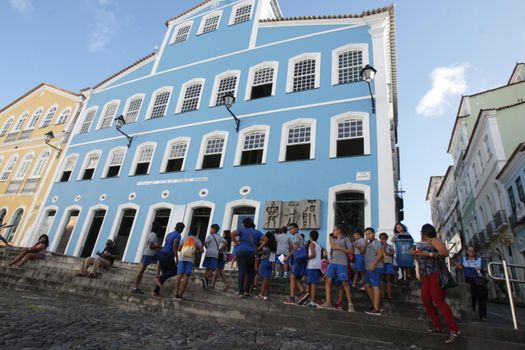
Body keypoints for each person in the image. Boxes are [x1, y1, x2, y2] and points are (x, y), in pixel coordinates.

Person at [413, 223, 460, 344]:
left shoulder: (435, 240)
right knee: (426, 299)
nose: (420, 234)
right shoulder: (426, 244)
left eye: (421, 232)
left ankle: (454, 329)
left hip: (435, 274)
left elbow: (444, 253)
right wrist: (416, 255)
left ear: (425, 232)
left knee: (438, 300)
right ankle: (437, 325)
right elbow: (422, 259)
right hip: (426, 275)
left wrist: (428, 254)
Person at [319, 225, 354, 312]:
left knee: (345, 283)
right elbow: (333, 248)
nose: (333, 231)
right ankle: (328, 302)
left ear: (339, 230)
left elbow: (351, 251)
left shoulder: (346, 239)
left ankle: (350, 304)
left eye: (334, 230)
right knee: (328, 280)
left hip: (342, 263)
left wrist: (341, 248)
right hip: (333, 263)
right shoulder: (333, 240)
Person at [452, 246, 488, 320]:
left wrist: (481, 268)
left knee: (481, 297)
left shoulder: (480, 260)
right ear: (467, 252)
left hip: (479, 279)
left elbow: (486, 269)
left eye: (472, 251)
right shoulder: (464, 260)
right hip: (469, 280)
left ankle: (483, 315)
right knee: (472, 297)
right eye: (469, 251)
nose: (471, 252)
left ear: (474, 252)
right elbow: (460, 267)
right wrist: (454, 262)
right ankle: (472, 312)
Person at [231, 217, 263, 297]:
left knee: (241, 271)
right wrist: (258, 247)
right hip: (251, 253)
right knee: (251, 272)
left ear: (245, 224)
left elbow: (232, 234)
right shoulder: (257, 232)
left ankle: (240, 292)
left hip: (241, 251)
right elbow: (266, 239)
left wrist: (237, 243)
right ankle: (246, 291)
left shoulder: (242, 230)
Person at [153, 222, 184, 297]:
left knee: (165, 273)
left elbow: (166, 244)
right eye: (182, 229)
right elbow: (174, 246)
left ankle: (156, 291)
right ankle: (158, 278)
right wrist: (177, 258)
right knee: (175, 271)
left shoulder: (169, 234)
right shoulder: (178, 235)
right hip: (167, 255)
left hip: (161, 253)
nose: (182, 230)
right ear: (180, 228)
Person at [131, 223, 162, 294]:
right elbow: (151, 246)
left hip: (151, 254)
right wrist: (158, 246)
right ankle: (135, 287)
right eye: (160, 230)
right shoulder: (153, 235)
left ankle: (158, 274)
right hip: (148, 254)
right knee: (141, 271)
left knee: (161, 258)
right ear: (157, 230)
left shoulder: (151, 234)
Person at [174, 226, 203, 299]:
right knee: (186, 276)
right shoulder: (197, 240)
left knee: (179, 275)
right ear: (196, 233)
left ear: (189, 231)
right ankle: (181, 294)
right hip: (190, 260)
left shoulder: (184, 238)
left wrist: (184, 250)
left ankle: (176, 292)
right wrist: (196, 251)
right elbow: (202, 250)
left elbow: (179, 249)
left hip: (182, 258)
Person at [283, 223, 308, 304]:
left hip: (298, 258)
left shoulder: (297, 236)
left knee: (292, 276)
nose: (290, 230)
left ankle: (292, 298)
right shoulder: (299, 236)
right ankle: (302, 292)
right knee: (296, 278)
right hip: (301, 259)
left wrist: (287, 257)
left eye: (292, 228)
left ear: (297, 228)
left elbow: (296, 248)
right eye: (289, 229)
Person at [363, 227, 384, 316]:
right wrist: (365, 242)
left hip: (375, 267)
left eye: (369, 233)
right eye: (366, 234)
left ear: (373, 233)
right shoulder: (368, 244)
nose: (368, 235)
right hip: (368, 268)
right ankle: (376, 306)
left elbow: (380, 254)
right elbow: (361, 251)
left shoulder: (376, 242)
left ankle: (376, 309)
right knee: (367, 285)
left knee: (375, 286)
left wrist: (373, 264)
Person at [201, 224, 225, 290]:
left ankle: (205, 280)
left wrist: (207, 248)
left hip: (209, 253)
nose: (210, 230)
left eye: (211, 229)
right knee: (213, 267)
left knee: (208, 267)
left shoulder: (210, 236)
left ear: (214, 229)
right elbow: (225, 242)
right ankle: (205, 278)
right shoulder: (219, 237)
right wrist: (220, 249)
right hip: (215, 254)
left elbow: (204, 243)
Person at [257, 232, 277, 300]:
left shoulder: (266, 244)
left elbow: (264, 251)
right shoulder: (273, 244)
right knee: (267, 279)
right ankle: (266, 295)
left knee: (265, 279)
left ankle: (261, 293)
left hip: (265, 260)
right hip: (270, 262)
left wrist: (259, 252)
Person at [305, 230, 322, 307]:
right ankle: (307, 299)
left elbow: (313, 255)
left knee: (312, 283)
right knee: (310, 283)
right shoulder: (318, 244)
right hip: (317, 266)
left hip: (312, 266)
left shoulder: (312, 244)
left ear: (310, 236)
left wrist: (305, 257)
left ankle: (312, 301)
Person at [379, 232, 394, 300]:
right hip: (382, 263)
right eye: (381, 239)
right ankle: (382, 294)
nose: (383, 240)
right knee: (382, 278)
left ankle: (389, 295)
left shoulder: (390, 246)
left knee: (388, 278)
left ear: (386, 239)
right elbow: (381, 254)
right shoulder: (379, 246)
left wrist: (387, 252)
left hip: (389, 263)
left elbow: (392, 253)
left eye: (384, 238)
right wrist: (384, 248)